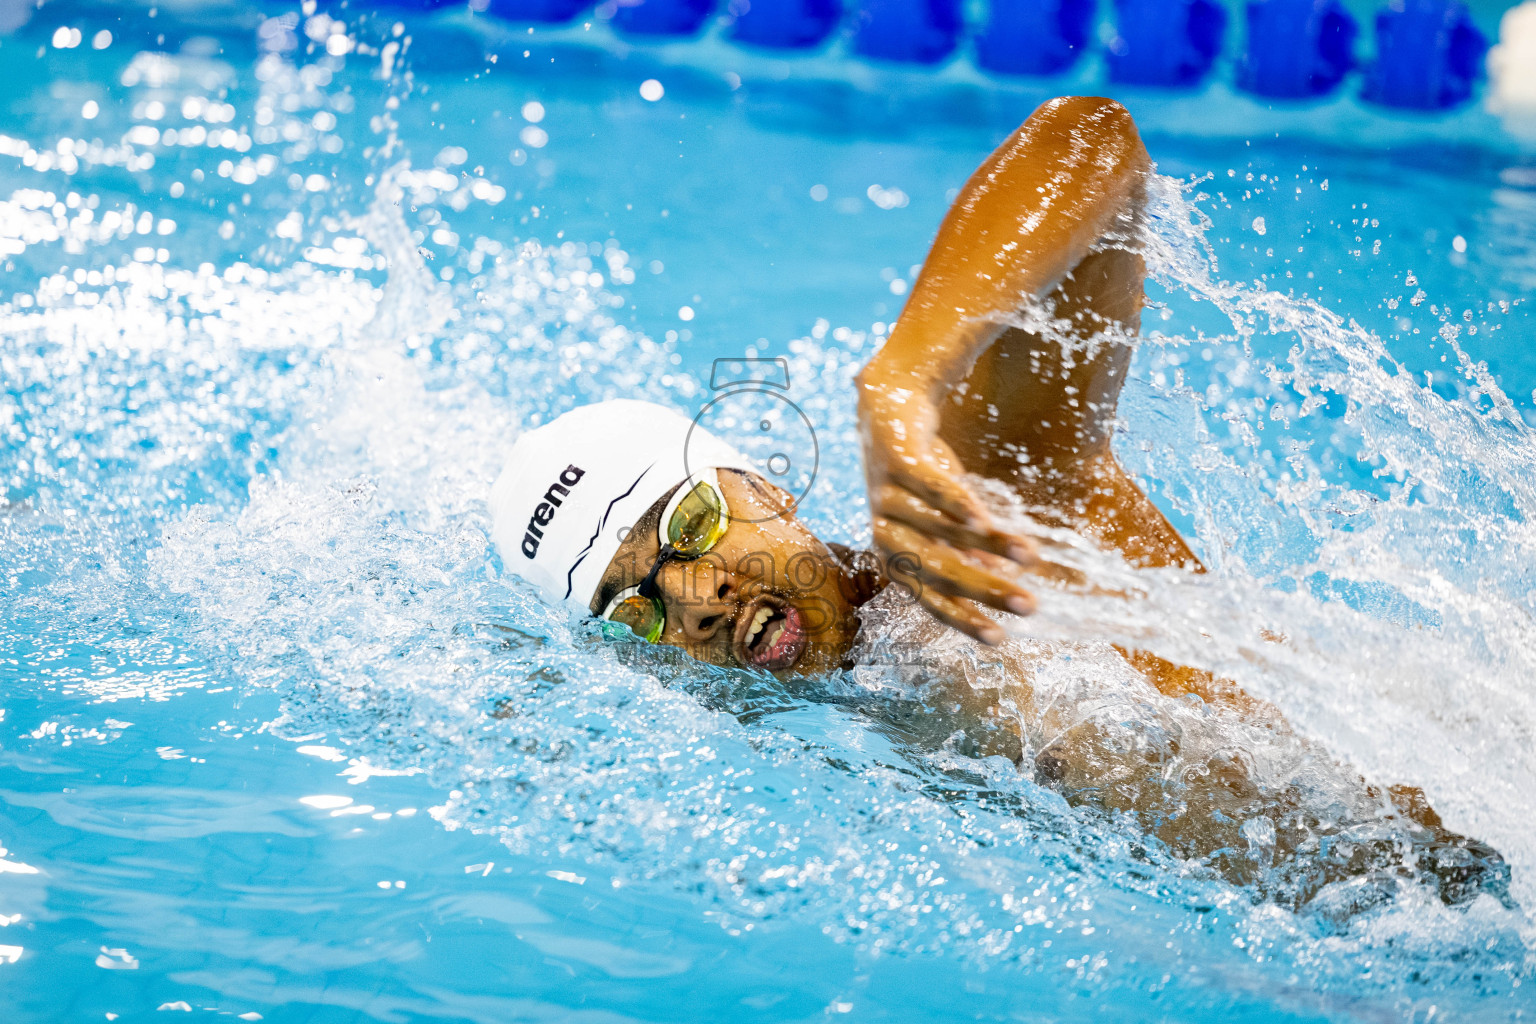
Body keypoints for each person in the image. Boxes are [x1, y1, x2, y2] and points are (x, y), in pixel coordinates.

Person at [490, 96, 1508, 912]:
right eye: (640, 605)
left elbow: (1092, 140)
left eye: (692, 527)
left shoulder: (986, 508)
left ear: (764, 484)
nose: (698, 597)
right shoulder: (859, 717)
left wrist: (902, 382)